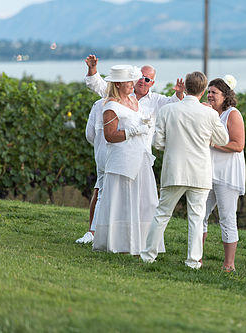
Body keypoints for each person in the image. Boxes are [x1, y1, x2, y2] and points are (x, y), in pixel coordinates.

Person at [75, 55, 185, 243]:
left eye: (147, 79)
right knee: (103, 189)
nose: (141, 81)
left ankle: (132, 235)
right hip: (115, 151)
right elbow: (99, 86)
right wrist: (93, 69)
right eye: (140, 76)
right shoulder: (117, 96)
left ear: (152, 83)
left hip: (141, 154)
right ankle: (93, 232)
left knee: (139, 197)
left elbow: (175, 106)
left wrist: (181, 94)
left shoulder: (157, 101)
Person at [140, 71, 229, 269]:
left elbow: (158, 143)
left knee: (162, 213)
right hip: (200, 172)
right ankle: (193, 261)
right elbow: (223, 140)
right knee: (196, 218)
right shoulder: (210, 113)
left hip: (174, 169)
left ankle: (148, 255)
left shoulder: (168, 110)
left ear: (186, 87)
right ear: (203, 90)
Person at [92, 65, 162, 254]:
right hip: (122, 159)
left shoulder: (134, 102)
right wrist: (132, 131)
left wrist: (145, 125)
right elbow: (110, 135)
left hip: (141, 157)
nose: (134, 84)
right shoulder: (111, 106)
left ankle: (143, 242)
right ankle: (119, 243)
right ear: (119, 84)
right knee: (122, 201)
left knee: (145, 201)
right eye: (129, 81)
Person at [202, 75, 246, 272]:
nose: (210, 95)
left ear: (225, 95)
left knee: (227, 218)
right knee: (199, 214)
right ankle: (197, 258)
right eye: (208, 91)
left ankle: (229, 265)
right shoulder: (208, 112)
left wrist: (214, 144)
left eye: (214, 92)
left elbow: (238, 145)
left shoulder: (232, 114)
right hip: (207, 171)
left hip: (227, 173)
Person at [75, 98, 105, 244]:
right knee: (99, 190)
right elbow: (90, 135)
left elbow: (90, 135)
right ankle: (92, 232)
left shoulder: (100, 104)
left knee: (100, 191)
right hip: (106, 156)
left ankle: (94, 232)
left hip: (106, 154)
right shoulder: (100, 104)